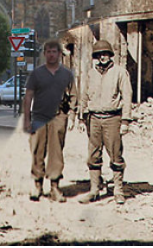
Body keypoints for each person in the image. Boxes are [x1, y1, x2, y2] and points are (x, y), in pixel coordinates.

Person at [78, 39, 133, 205]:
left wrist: (125, 120)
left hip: (112, 119)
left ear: (110, 55)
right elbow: (84, 95)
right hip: (93, 118)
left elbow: (127, 96)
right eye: (99, 54)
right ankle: (94, 190)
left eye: (106, 53)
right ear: (96, 56)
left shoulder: (120, 72)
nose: (103, 57)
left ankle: (118, 190)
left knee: (116, 155)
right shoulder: (90, 73)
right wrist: (82, 118)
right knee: (93, 156)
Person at [23, 39, 77, 202]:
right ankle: (37, 185)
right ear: (45, 55)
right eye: (49, 52)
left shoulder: (67, 74)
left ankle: (55, 186)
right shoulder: (36, 74)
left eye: (55, 52)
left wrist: (72, 115)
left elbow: (74, 95)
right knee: (37, 149)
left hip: (59, 115)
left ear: (60, 55)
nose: (52, 55)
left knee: (56, 151)